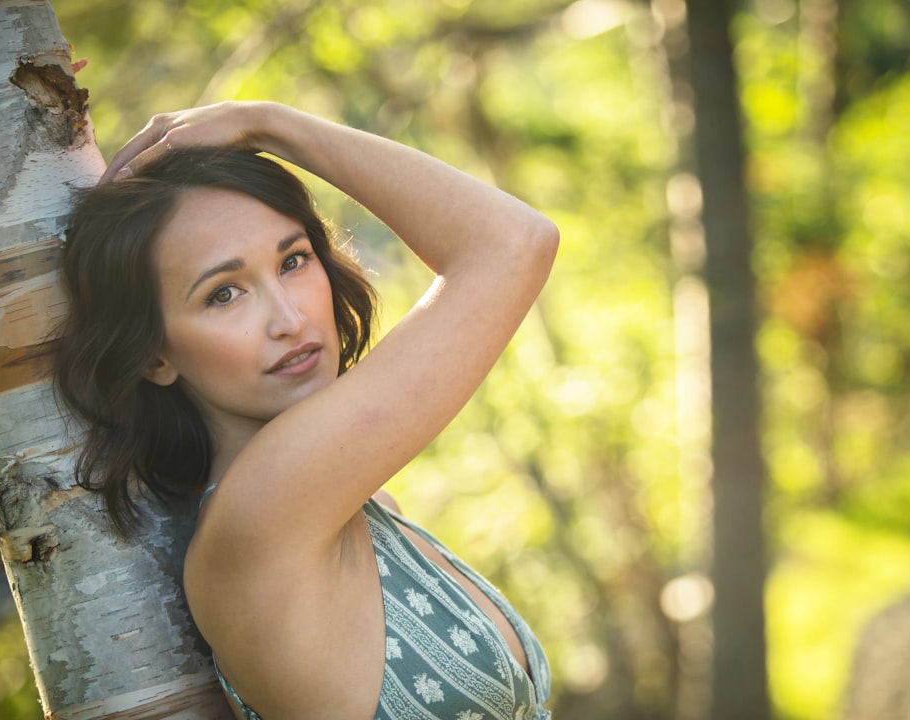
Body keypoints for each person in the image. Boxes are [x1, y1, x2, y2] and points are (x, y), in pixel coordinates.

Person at [53, 101, 558, 720]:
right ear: (155, 355)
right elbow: (514, 242)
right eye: (224, 294)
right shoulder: (262, 512)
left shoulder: (358, 509)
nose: (290, 321)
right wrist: (270, 124)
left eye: (293, 261)